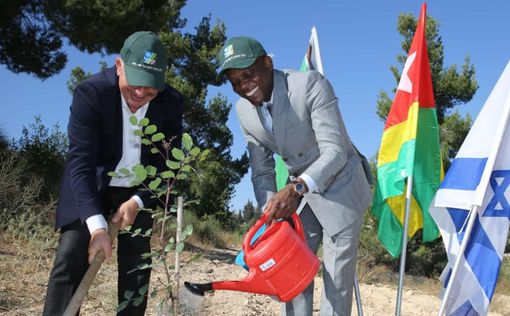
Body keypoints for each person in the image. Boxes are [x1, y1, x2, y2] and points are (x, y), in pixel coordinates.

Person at [218, 36, 372, 316]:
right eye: (235, 81)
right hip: (301, 196)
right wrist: (271, 212)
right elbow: (262, 169)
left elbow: (335, 150)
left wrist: (298, 187)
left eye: (248, 74)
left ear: (267, 63)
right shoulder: (243, 111)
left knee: (336, 280)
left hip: (341, 186)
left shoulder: (309, 84)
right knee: (290, 268)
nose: (243, 85)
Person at [43, 31, 183, 315]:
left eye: (151, 88)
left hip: (138, 190)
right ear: (119, 66)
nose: (141, 94)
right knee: (71, 256)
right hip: (91, 185)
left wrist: (138, 202)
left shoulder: (171, 103)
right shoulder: (91, 93)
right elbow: (80, 163)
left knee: (137, 266)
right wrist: (97, 228)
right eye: (134, 84)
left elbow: (167, 165)